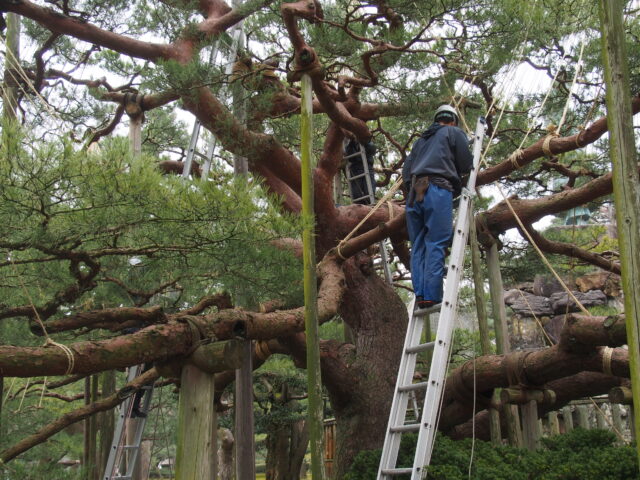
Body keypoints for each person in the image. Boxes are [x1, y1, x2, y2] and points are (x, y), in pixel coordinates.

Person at [402, 105, 473, 309]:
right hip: (438, 189)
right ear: (452, 120)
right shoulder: (453, 132)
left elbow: (406, 172)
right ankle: (432, 294)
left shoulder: (420, 141)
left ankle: (422, 294)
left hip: (416, 193)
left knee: (418, 245)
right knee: (436, 241)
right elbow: (466, 162)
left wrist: (414, 191)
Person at [345, 138, 377, 205]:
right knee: (356, 195)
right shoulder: (350, 145)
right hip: (355, 170)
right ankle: (360, 210)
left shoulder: (366, 141)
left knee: (369, 193)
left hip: (367, 168)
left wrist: (364, 142)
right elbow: (350, 157)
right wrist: (352, 142)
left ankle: (370, 209)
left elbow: (372, 150)